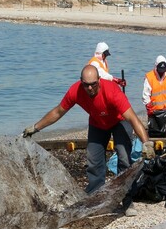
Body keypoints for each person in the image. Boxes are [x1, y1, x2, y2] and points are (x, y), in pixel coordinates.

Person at [22, 65, 155, 196]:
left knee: (124, 157)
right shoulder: (76, 91)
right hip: (97, 123)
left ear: (99, 80)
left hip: (119, 121)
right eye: (86, 85)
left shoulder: (112, 92)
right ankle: (95, 195)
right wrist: (35, 127)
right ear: (81, 81)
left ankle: (126, 197)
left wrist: (146, 143)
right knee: (94, 160)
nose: (90, 88)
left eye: (93, 84)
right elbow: (58, 112)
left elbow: (133, 118)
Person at [143, 55, 166, 138]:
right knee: (153, 130)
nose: (161, 72)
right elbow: (146, 95)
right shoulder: (149, 77)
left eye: (163, 70)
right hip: (154, 110)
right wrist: (149, 107)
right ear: (156, 67)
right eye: (160, 70)